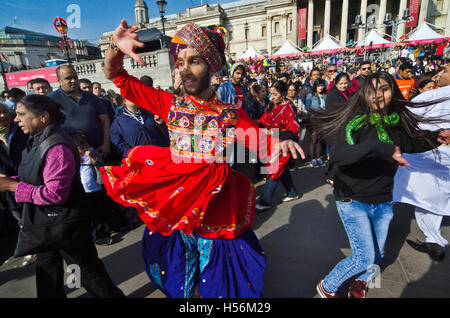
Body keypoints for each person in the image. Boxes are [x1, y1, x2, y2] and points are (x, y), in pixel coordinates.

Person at [101, 20, 304, 298]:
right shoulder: (169, 104)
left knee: (219, 277)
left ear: (212, 66)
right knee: (178, 272)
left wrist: (282, 143)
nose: (185, 69)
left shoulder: (231, 114)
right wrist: (115, 48)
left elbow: (263, 143)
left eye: (194, 61)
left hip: (215, 209)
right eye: (181, 62)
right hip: (176, 205)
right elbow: (118, 77)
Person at [309, 72, 450, 298]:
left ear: (392, 91)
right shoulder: (352, 121)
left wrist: (436, 138)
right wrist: (377, 147)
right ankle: (328, 286)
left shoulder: (394, 123)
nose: (377, 95)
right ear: (363, 93)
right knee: (363, 256)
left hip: (383, 199)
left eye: (383, 89)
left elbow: (409, 143)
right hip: (352, 199)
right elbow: (339, 155)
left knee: (378, 253)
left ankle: (362, 281)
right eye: (371, 90)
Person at [0, 94, 125, 298]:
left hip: (65, 226)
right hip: (47, 225)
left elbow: (54, 194)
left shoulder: (57, 147)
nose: (16, 119)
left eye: (22, 114)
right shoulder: (38, 140)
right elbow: (37, 175)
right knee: (48, 272)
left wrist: (13, 186)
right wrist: (10, 180)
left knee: (88, 273)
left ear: (43, 117)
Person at [393, 63, 450, 262]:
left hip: (423, 155)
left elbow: (404, 120)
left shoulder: (433, 96)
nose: (439, 75)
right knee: (436, 196)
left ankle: (377, 227)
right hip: (440, 160)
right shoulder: (433, 95)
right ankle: (433, 239)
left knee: (396, 187)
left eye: (445, 70)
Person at [47, 65, 112, 159]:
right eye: (68, 78)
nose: (73, 80)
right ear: (58, 80)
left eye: (75, 77)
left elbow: (105, 120)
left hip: (97, 150)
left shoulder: (91, 97)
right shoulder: (51, 99)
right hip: (70, 154)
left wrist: (106, 143)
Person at [255, 80, 301, 210]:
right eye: (270, 94)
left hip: (283, 146)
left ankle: (264, 201)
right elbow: (263, 120)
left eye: (275, 94)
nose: (271, 97)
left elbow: (293, 132)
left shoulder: (289, 108)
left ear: (282, 94)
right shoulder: (272, 105)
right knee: (282, 169)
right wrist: (254, 126)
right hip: (271, 144)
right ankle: (292, 193)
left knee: (273, 171)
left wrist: (270, 133)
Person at [305, 78, 327, 168]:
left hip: (322, 120)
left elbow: (327, 108)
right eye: (319, 85)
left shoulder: (325, 96)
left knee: (319, 139)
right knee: (313, 139)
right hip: (313, 120)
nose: (320, 87)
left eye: (322, 85)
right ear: (315, 86)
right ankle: (312, 159)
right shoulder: (310, 96)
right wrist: (316, 112)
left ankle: (318, 158)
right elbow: (307, 107)